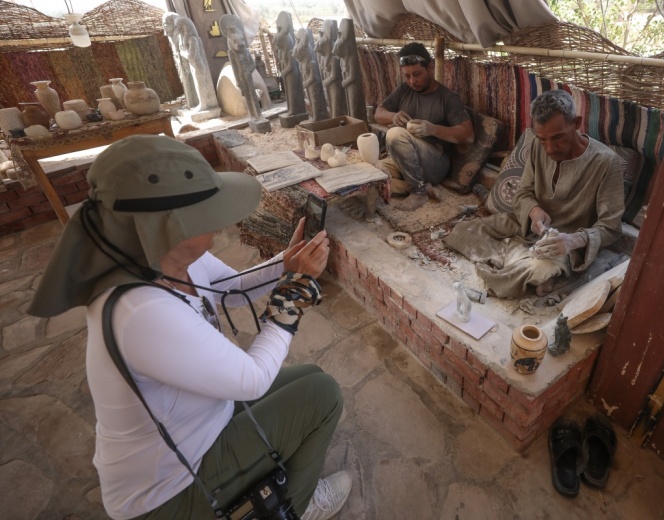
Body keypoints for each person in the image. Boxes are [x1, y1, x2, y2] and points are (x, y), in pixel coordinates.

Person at [28, 135, 352, 520]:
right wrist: (293, 297)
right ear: (172, 228)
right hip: (171, 488)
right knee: (323, 393)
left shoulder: (162, 260)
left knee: (310, 375)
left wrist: (286, 264)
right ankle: (298, 506)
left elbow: (231, 291)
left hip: (201, 426)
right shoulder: (140, 311)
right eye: (208, 212)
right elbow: (251, 380)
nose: (220, 220)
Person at [444, 90, 625, 298]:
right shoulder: (538, 147)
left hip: (562, 243)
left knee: (539, 268)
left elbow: (611, 228)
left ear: (576, 123)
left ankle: (524, 264)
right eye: (543, 139)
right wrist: (534, 210)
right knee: (461, 232)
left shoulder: (606, 163)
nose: (549, 148)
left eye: (558, 138)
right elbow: (523, 193)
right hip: (525, 226)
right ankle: (518, 257)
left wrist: (572, 240)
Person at [374, 42, 475, 211]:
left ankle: (418, 192)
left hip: (435, 162)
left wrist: (432, 129)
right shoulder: (404, 89)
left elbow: (468, 135)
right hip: (407, 159)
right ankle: (420, 186)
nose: (412, 81)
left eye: (417, 74)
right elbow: (378, 113)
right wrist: (393, 116)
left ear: (430, 67)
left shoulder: (448, 98)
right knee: (373, 174)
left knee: (395, 134)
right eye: (407, 76)